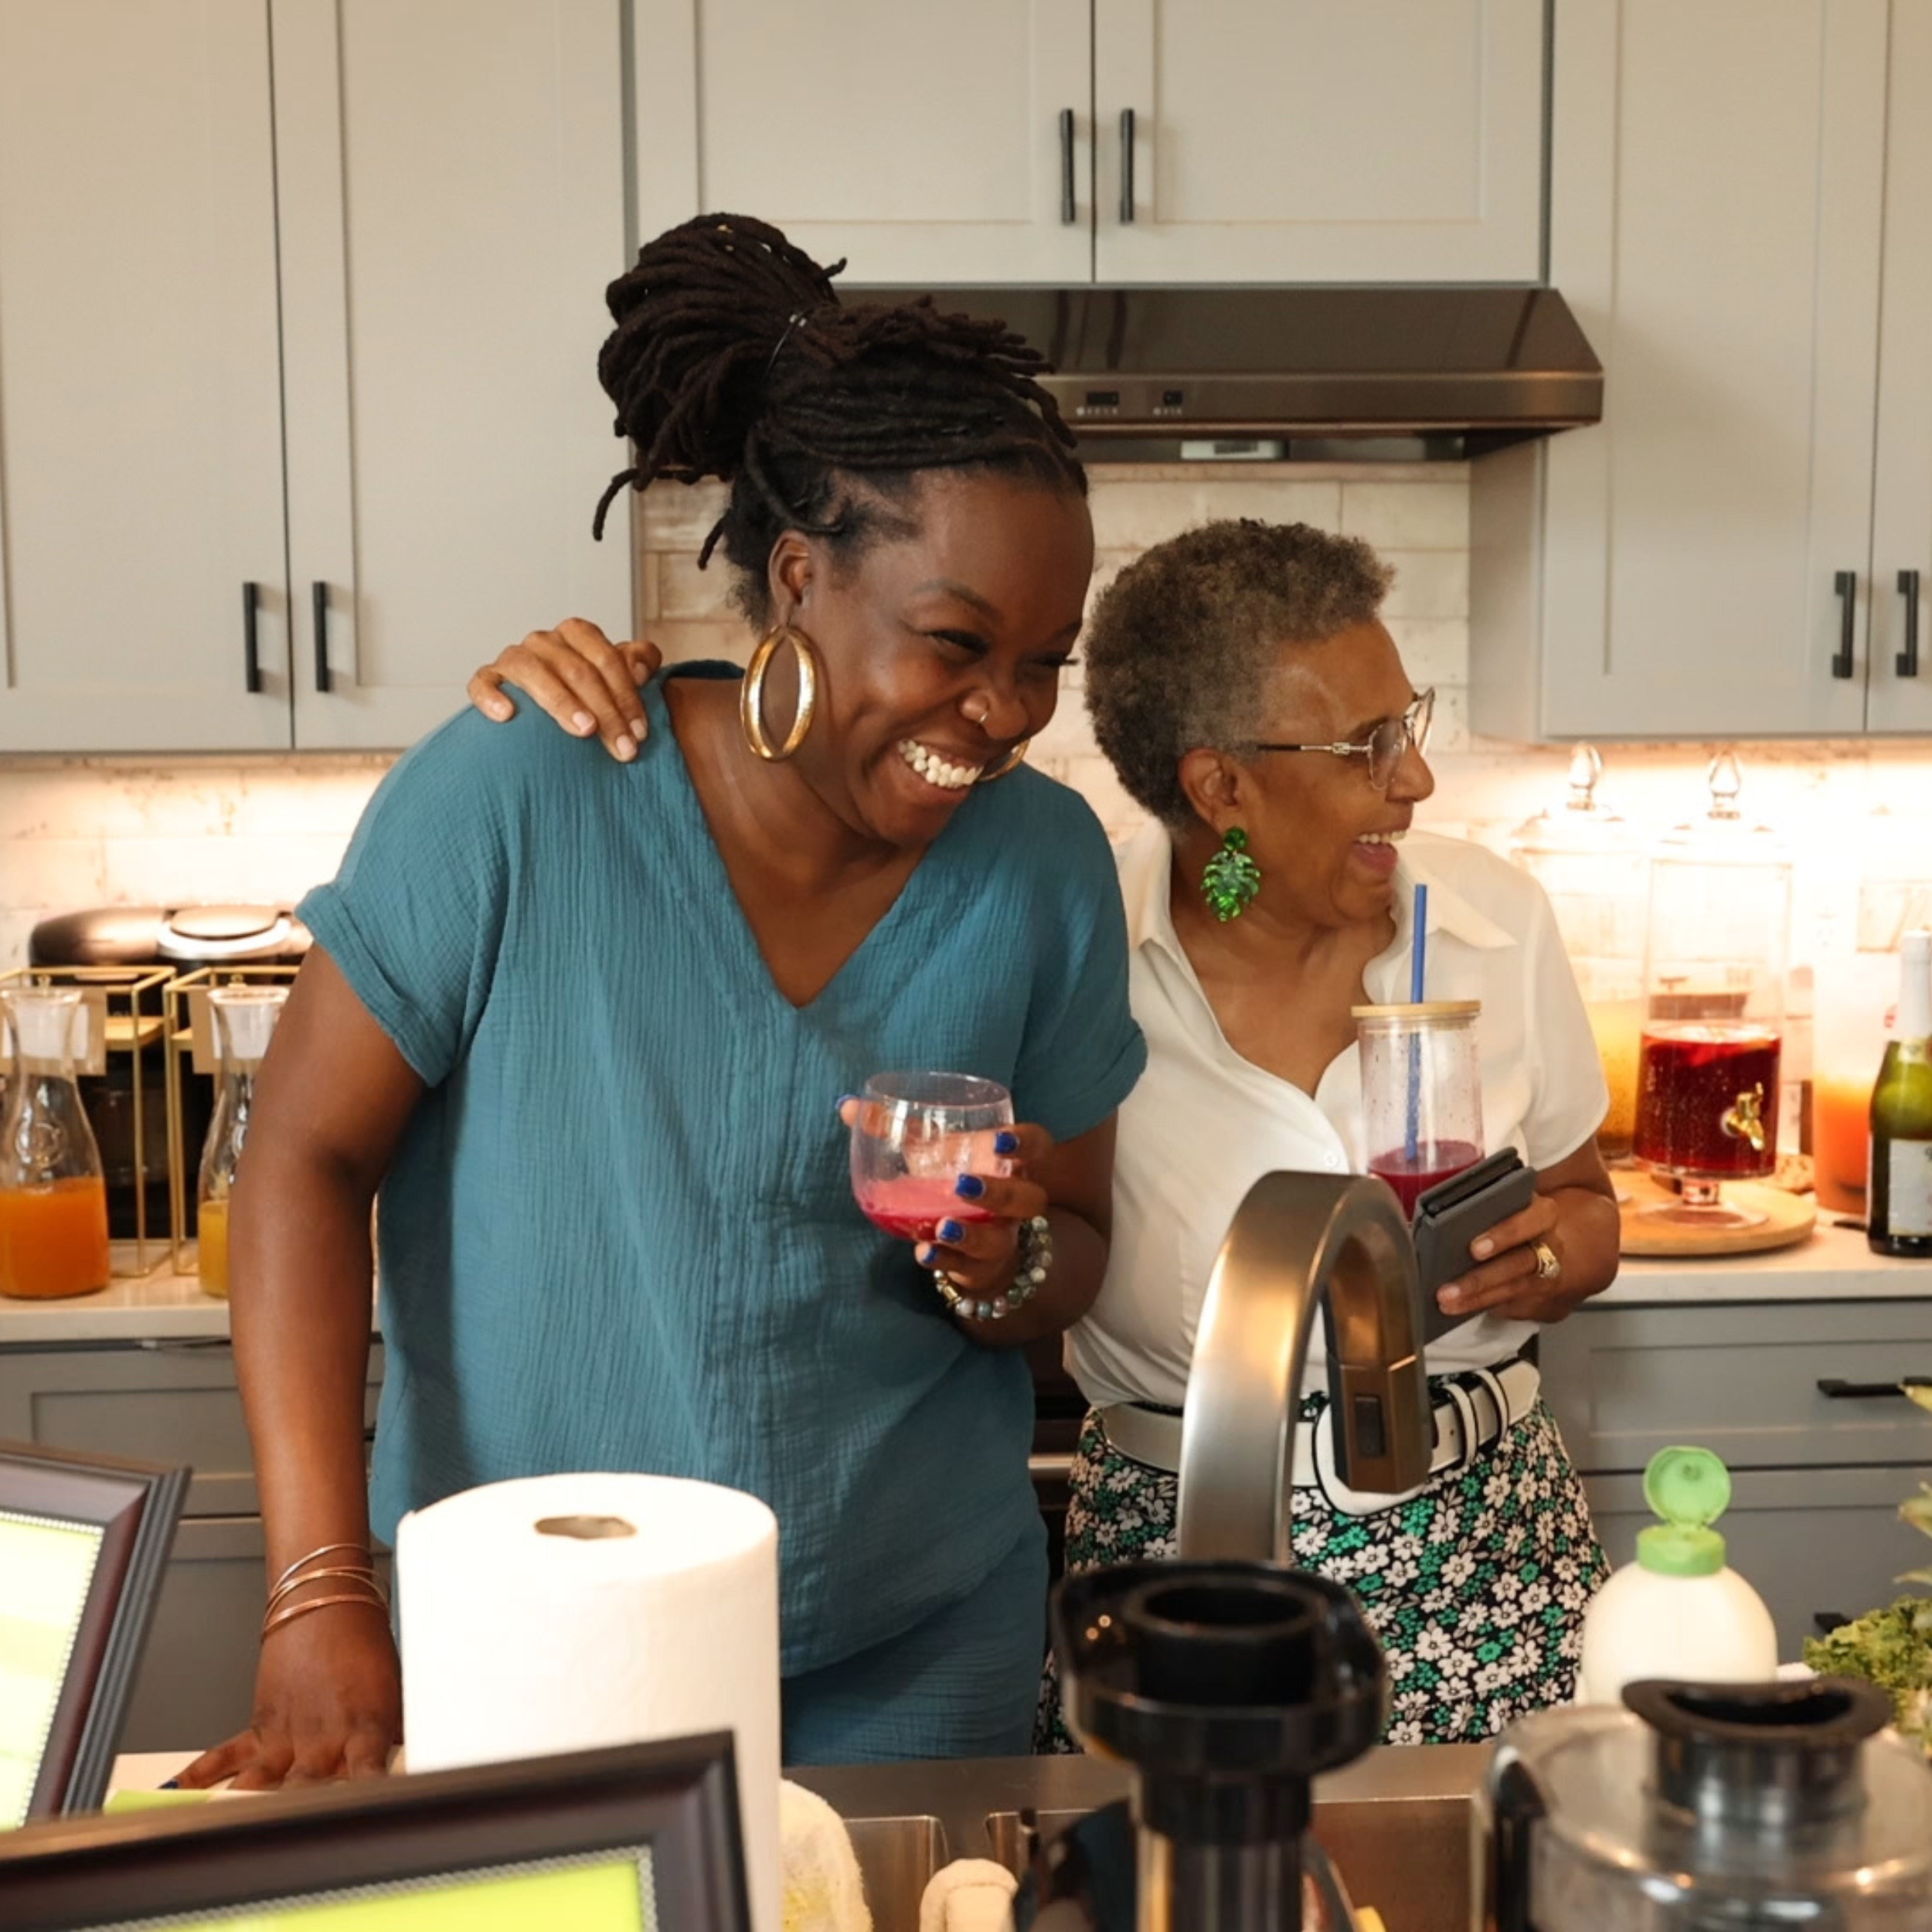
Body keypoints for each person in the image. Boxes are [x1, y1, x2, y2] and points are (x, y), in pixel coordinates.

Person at [181, 214, 1144, 1790]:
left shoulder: (1041, 865)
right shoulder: (524, 785)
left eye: (1046, 659)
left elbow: (1075, 1247)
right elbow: (299, 1157)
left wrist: (1005, 1250)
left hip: (915, 1641)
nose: (1005, 711)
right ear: (796, 576)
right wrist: (322, 1577)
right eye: (957, 642)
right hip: (540, 1635)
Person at [483, 518, 1621, 1748]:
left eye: (1410, 724)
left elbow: (1588, 1206)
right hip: (1181, 1571)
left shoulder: (1492, 920)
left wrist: (1555, 1256)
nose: (1415, 779)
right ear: (1219, 785)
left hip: (1492, 1555)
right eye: (1369, 745)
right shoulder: (1075, 948)